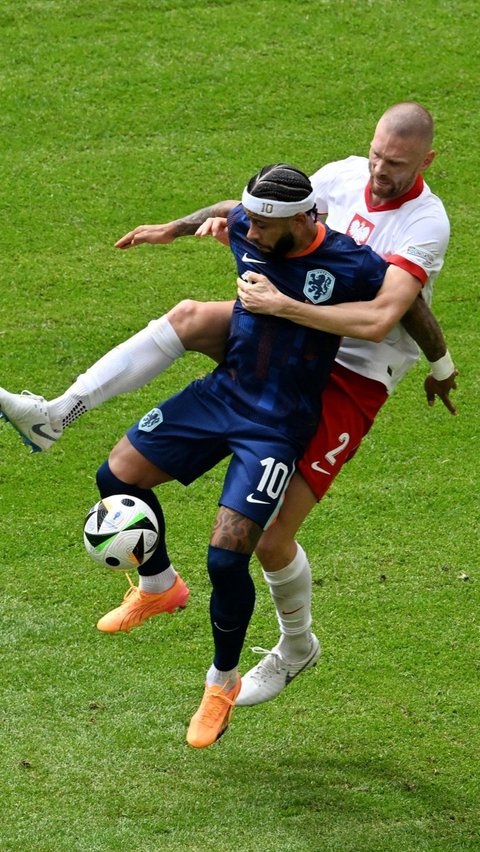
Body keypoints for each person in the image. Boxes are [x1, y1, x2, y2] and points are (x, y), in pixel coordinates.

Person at [0, 103, 456, 705]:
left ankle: (296, 647)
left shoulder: (425, 223)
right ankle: (59, 413)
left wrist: (439, 364)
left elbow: (387, 314)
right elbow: (254, 211)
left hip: (354, 369)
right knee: (189, 317)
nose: (377, 172)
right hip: (281, 332)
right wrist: (176, 226)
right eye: (374, 154)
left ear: (426, 160)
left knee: (269, 540)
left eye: (394, 165)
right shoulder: (341, 175)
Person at [88, 161, 423, 748]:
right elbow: (225, 212)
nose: (251, 233)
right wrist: (172, 227)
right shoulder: (249, 222)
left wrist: (440, 364)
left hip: (277, 425)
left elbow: (409, 306)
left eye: (266, 226)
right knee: (115, 474)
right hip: (224, 392)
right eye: (250, 222)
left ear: (300, 218)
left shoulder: (348, 262)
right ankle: (160, 585)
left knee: (227, 557)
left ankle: (221, 683)